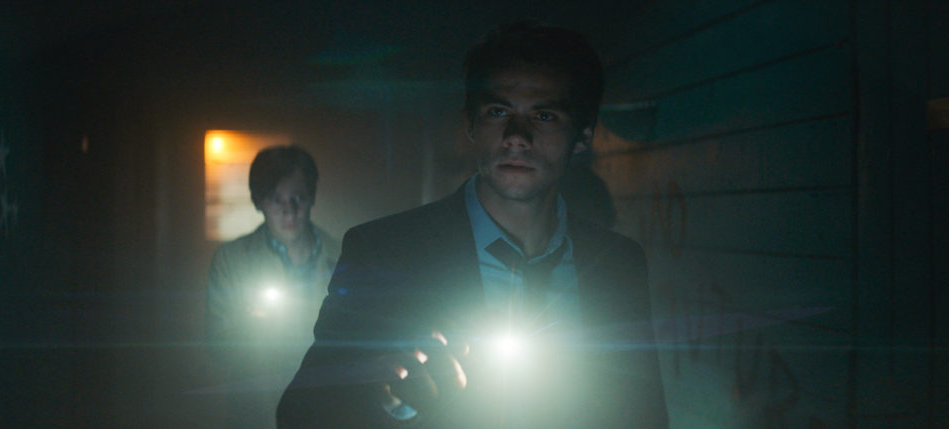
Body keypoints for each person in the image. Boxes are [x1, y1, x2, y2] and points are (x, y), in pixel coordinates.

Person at [277, 21, 668, 428]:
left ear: (583, 134)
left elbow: (645, 415)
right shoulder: (384, 250)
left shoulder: (618, 264)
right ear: (471, 124)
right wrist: (386, 397)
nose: (517, 136)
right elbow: (298, 415)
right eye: (498, 112)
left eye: (544, 115)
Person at [206, 146, 340, 428]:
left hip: (326, 410)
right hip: (258, 412)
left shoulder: (342, 257)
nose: (289, 210)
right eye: (276, 199)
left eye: (298, 197)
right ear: (259, 202)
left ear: (312, 196)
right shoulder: (232, 262)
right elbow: (216, 347)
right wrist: (249, 326)